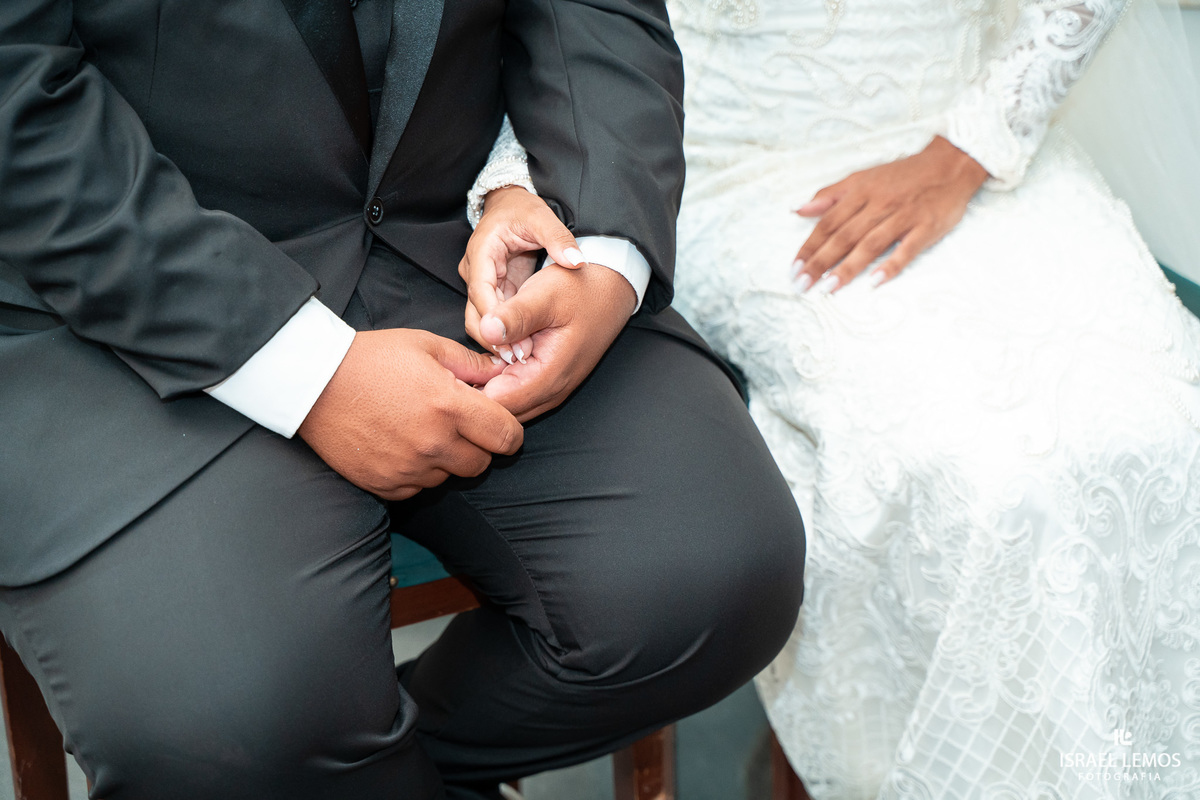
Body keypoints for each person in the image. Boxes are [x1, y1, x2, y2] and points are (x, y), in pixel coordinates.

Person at [0, 1, 806, 798]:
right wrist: (307, 371)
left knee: (717, 578)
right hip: (111, 303)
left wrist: (596, 249)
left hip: (450, 243)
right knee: (231, 726)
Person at [660, 0, 1200, 796]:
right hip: (748, 168)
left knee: (1161, 432)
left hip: (970, 134)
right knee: (978, 479)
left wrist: (967, 147)